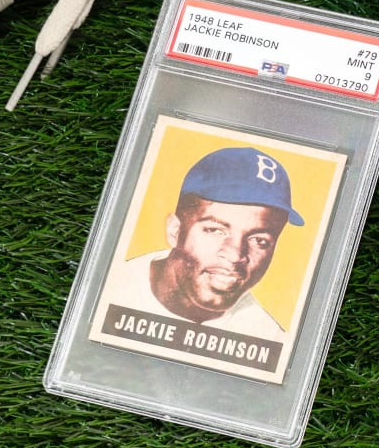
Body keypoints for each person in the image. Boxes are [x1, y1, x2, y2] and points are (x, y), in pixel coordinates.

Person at [114, 145, 304, 339]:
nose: (235, 255)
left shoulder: (266, 338)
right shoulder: (112, 287)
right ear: (175, 231)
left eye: (259, 240)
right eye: (215, 230)